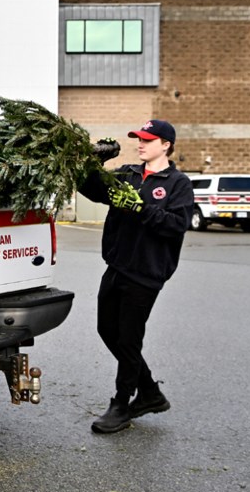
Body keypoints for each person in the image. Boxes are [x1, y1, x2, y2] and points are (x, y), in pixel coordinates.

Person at [79, 119, 194, 434]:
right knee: (107, 331)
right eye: (138, 139)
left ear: (165, 144)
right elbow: (92, 190)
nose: (140, 144)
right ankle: (151, 394)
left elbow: (176, 225)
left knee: (129, 339)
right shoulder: (128, 173)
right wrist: (92, 161)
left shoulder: (177, 183)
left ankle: (121, 404)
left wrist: (141, 208)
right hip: (117, 266)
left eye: (147, 139)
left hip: (146, 273)